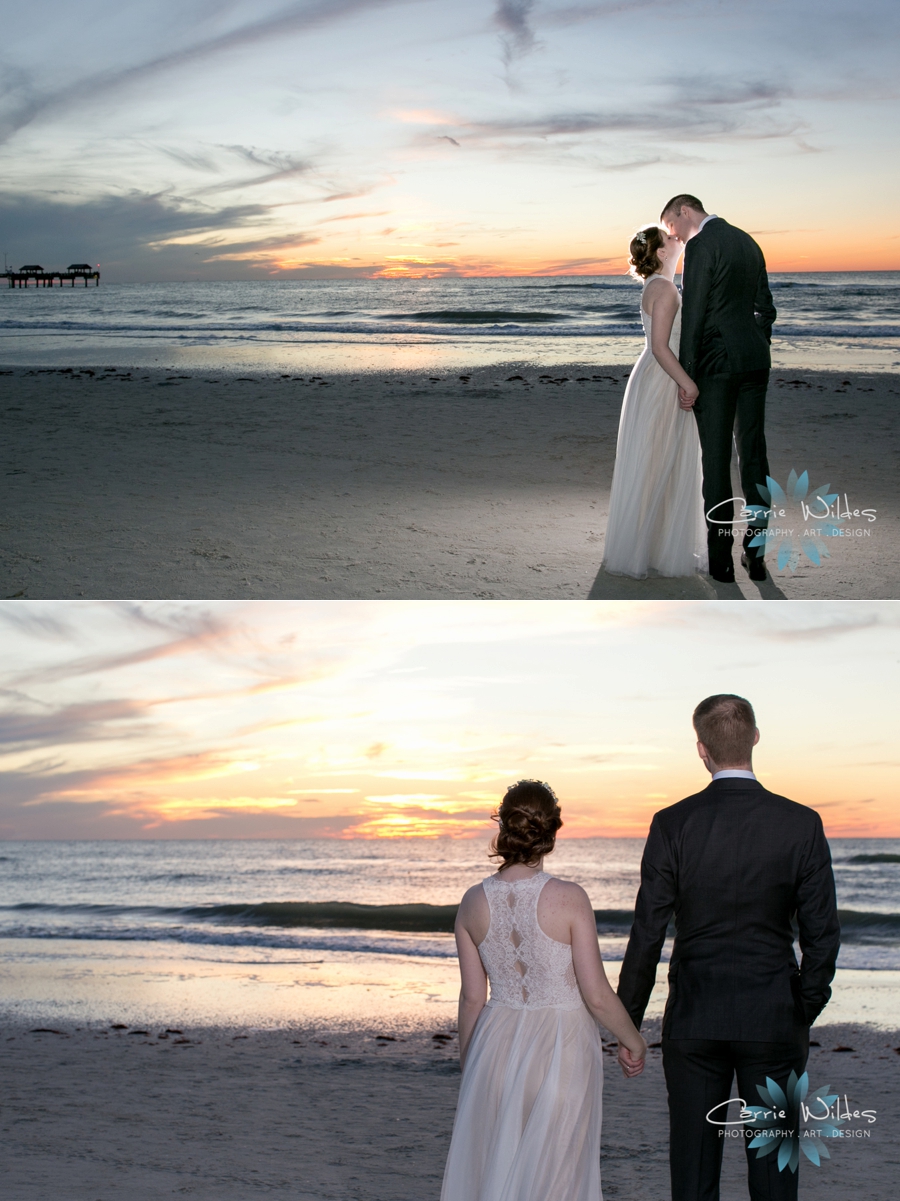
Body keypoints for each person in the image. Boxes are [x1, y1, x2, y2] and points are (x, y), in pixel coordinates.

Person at [617, 695, 841, 1201]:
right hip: (773, 1019)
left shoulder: (672, 823)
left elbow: (647, 933)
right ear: (756, 737)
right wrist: (800, 1008)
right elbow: (822, 936)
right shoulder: (800, 823)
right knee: (774, 1181)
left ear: (701, 749)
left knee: (694, 1177)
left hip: (695, 1020)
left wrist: (627, 1021)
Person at [441, 780, 647, 1201]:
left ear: (504, 826)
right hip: (562, 1047)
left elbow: (472, 999)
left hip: (495, 1048)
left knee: (499, 1175)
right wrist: (634, 1041)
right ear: (551, 831)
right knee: (559, 1180)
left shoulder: (471, 902)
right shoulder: (570, 898)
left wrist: (472, 1065)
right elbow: (596, 994)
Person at [660, 195, 778, 583]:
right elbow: (766, 308)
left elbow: (693, 313)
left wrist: (687, 377)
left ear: (684, 211)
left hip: (715, 367)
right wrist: (755, 342)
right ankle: (756, 556)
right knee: (754, 457)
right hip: (755, 362)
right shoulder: (748, 241)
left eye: (671, 225)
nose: (672, 234)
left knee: (716, 461)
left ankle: (721, 561)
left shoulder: (701, 245)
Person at [601, 225, 708, 579]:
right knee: (659, 461)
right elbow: (662, 347)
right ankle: (652, 549)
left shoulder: (659, 286)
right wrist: (688, 384)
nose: (679, 239)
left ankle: (653, 545)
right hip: (662, 380)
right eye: (672, 238)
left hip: (656, 376)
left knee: (658, 460)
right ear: (662, 253)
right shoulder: (663, 289)